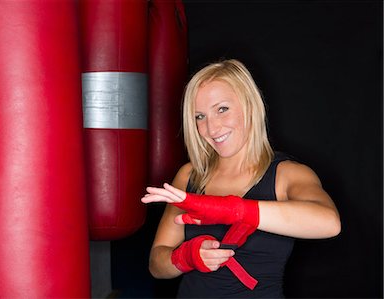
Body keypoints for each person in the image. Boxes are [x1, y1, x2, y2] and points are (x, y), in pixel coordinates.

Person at [141, 59, 341, 298]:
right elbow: (157, 264)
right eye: (199, 117)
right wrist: (186, 256)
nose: (212, 128)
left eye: (222, 109)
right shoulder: (190, 175)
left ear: (249, 106)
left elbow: (329, 223)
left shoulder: (286, 174)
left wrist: (232, 210)